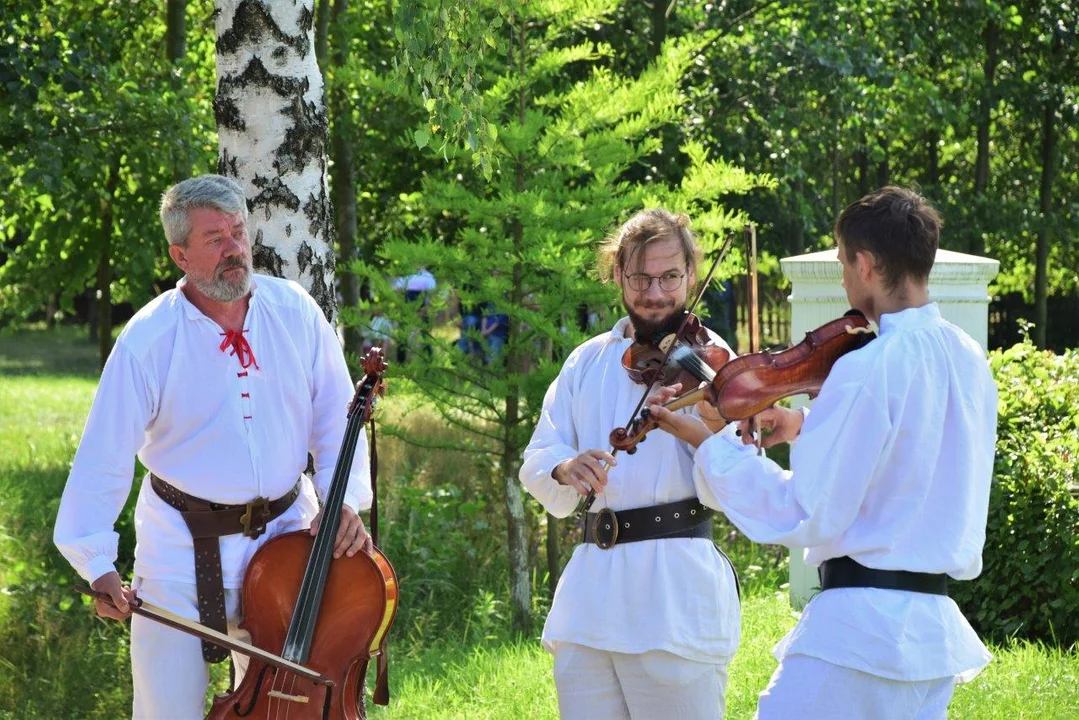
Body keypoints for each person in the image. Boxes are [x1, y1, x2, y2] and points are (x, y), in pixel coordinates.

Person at [648, 186, 998, 719]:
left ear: (865, 264)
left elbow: (805, 511)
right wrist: (799, 425)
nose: (842, 279)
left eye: (842, 265)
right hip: (930, 634)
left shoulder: (866, 366)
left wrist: (711, 446)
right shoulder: (968, 358)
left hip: (859, 634)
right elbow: (911, 449)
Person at [53, 175, 373, 719]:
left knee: (282, 708)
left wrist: (343, 499)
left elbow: (337, 417)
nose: (234, 249)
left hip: (287, 543)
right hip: (179, 551)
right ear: (180, 255)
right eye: (214, 239)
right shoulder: (148, 339)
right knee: (164, 709)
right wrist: (96, 562)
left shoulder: (294, 310)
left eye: (238, 232)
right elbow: (104, 456)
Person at [519, 208, 741, 719]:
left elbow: (733, 480)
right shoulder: (587, 361)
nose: (656, 292)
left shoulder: (709, 362)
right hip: (592, 598)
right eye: (641, 277)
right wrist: (563, 468)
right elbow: (539, 455)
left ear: (690, 275)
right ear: (617, 274)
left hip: (673, 597)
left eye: (670, 277)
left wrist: (707, 429)